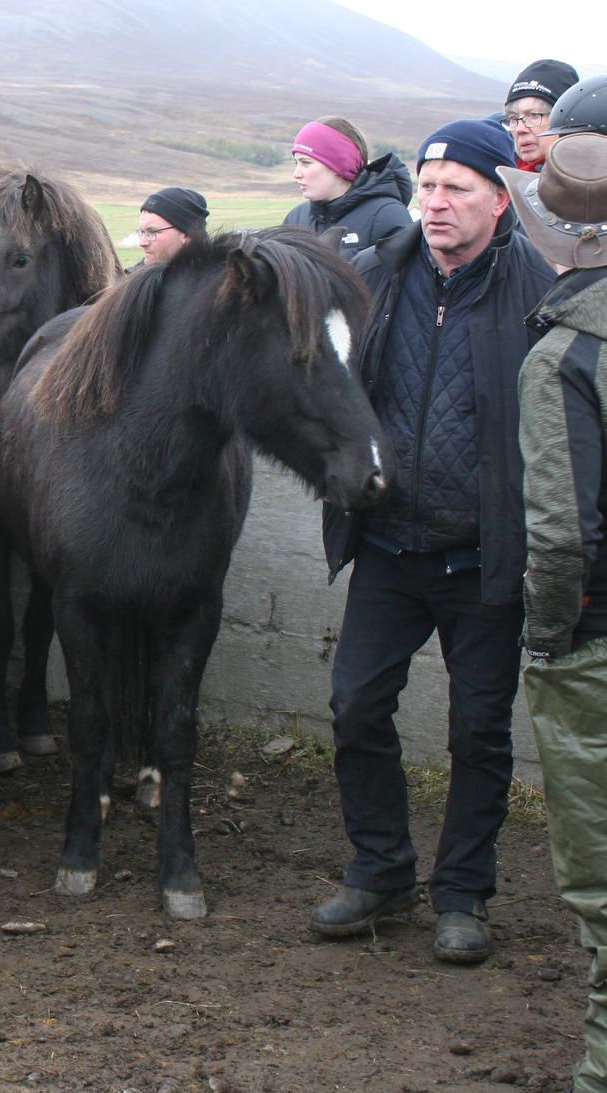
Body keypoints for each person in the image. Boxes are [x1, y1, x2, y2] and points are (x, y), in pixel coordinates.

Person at [311, 119, 556, 964]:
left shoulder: (538, 289)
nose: (437, 201)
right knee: (355, 707)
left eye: (457, 186)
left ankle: (463, 893)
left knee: (479, 730)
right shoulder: (380, 275)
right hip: (387, 545)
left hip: (483, 555)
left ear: (499, 195)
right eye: (427, 183)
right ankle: (380, 868)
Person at [501, 131, 607, 1090]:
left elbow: (563, 533)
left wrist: (545, 641)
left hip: (598, 646)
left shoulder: (565, 356)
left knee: (605, 886)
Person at [284, 117, 413, 260]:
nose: (296, 174)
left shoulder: (387, 216)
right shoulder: (295, 218)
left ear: (339, 164)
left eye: (306, 163)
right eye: (296, 163)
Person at [505, 59, 581, 173]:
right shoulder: (501, 177)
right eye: (513, 118)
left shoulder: (591, 182)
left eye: (533, 115)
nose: (520, 129)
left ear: (566, 121)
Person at [135, 186, 208, 266]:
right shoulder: (130, 276)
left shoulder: (217, 277)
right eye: (142, 232)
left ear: (187, 235)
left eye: (152, 232)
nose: (142, 243)